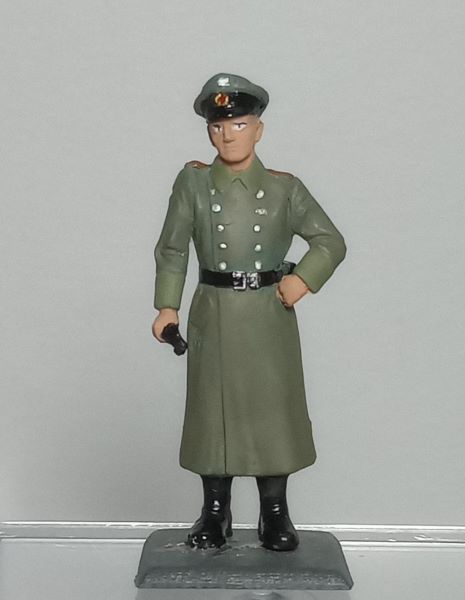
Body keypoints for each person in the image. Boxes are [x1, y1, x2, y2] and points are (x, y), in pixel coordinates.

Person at [152, 73, 346, 551]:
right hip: (214, 313)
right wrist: (166, 306)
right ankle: (215, 511)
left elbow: (330, 241)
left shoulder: (284, 189)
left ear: (258, 130)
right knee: (211, 412)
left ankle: (274, 512)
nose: (228, 135)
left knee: (271, 411)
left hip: (266, 316)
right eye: (218, 127)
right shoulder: (194, 183)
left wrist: (302, 280)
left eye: (239, 124)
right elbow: (173, 248)